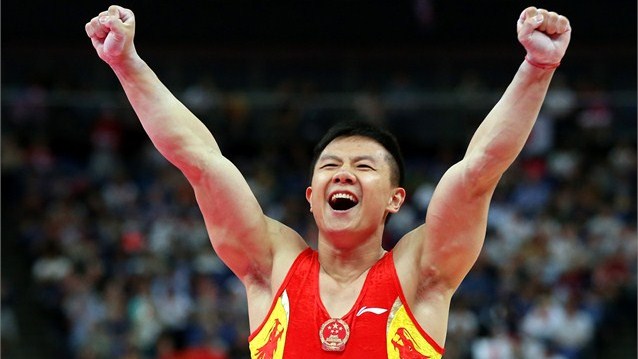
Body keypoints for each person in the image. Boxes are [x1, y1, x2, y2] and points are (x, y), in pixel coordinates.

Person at [85, 5, 571, 358]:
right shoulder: (271, 265)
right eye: (330, 166)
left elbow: (479, 171)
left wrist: (537, 67)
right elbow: (199, 161)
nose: (343, 172)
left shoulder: (419, 274)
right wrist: (126, 64)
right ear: (311, 197)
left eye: (364, 166)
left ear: (395, 199)